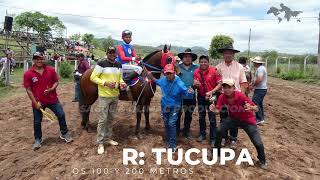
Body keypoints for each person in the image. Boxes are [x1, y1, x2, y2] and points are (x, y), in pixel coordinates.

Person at [210, 79, 267, 169]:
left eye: (229, 87)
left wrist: (251, 107)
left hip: (247, 119)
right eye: (225, 87)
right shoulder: (222, 97)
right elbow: (217, 111)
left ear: (234, 88)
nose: (227, 90)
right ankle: (217, 152)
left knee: (257, 141)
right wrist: (213, 110)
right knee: (219, 130)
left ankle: (262, 160)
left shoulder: (241, 96)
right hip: (233, 118)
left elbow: (256, 109)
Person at [23, 52, 73, 151]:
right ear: (33, 60)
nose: (39, 60)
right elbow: (28, 89)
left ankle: (64, 133)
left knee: (61, 114)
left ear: (43, 59)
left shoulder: (50, 70)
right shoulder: (28, 74)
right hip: (38, 101)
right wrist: (35, 102)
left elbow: (56, 81)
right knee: (37, 121)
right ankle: (38, 139)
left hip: (52, 99)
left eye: (40, 58)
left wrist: (51, 89)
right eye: (36, 58)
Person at [147, 64, 194, 151]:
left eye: (170, 73)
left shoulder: (179, 83)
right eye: (167, 73)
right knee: (166, 123)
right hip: (164, 105)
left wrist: (190, 92)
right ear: (164, 74)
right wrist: (151, 77)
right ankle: (168, 140)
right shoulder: (163, 80)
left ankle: (172, 145)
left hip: (175, 106)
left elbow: (186, 92)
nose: (168, 75)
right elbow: (157, 81)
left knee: (171, 123)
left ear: (174, 73)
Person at [90, 46, 127, 155]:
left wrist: (122, 83)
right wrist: (105, 83)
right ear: (107, 53)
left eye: (113, 52)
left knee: (110, 118)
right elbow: (93, 77)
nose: (111, 54)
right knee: (103, 119)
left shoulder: (119, 65)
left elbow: (120, 78)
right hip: (104, 96)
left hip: (115, 95)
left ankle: (107, 138)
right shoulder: (101, 64)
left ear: (116, 54)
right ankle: (100, 142)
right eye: (109, 52)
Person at [216, 44, 247, 149]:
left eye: (230, 53)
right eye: (225, 53)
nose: (228, 55)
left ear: (233, 54)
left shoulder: (239, 67)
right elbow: (216, 82)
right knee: (223, 117)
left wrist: (241, 98)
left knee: (235, 118)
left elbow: (243, 83)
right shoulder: (219, 67)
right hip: (223, 96)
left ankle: (233, 138)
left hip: (236, 97)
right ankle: (224, 137)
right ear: (223, 54)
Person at [193, 55, 222, 147]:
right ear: (199, 62)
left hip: (212, 97)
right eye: (201, 62)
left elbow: (220, 84)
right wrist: (195, 84)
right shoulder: (196, 72)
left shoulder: (214, 71)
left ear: (208, 62)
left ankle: (213, 138)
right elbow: (195, 83)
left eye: (205, 62)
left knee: (212, 118)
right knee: (201, 117)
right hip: (201, 97)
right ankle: (202, 134)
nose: (203, 63)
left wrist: (212, 91)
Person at [176, 48, 199, 138]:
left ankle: (186, 130)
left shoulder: (196, 68)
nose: (187, 58)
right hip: (179, 96)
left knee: (188, 115)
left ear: (192, 58)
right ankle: (177, 130)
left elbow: (198, 80)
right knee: (177, 114)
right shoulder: (177, 67)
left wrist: (195, 85)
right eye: (185, 56)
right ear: (182, 58)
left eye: (189, 57)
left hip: (191, 95)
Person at [250, 56, 268, 125]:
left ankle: (259, 118)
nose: (253, 63)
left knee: (255, 102)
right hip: (261, 89)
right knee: (259, 104)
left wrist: (253, 85)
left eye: (254, 62)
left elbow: (259, 79)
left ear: (256, 63)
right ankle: (261, 118)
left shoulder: (260, 69)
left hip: (260, 89)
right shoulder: (261, 68)